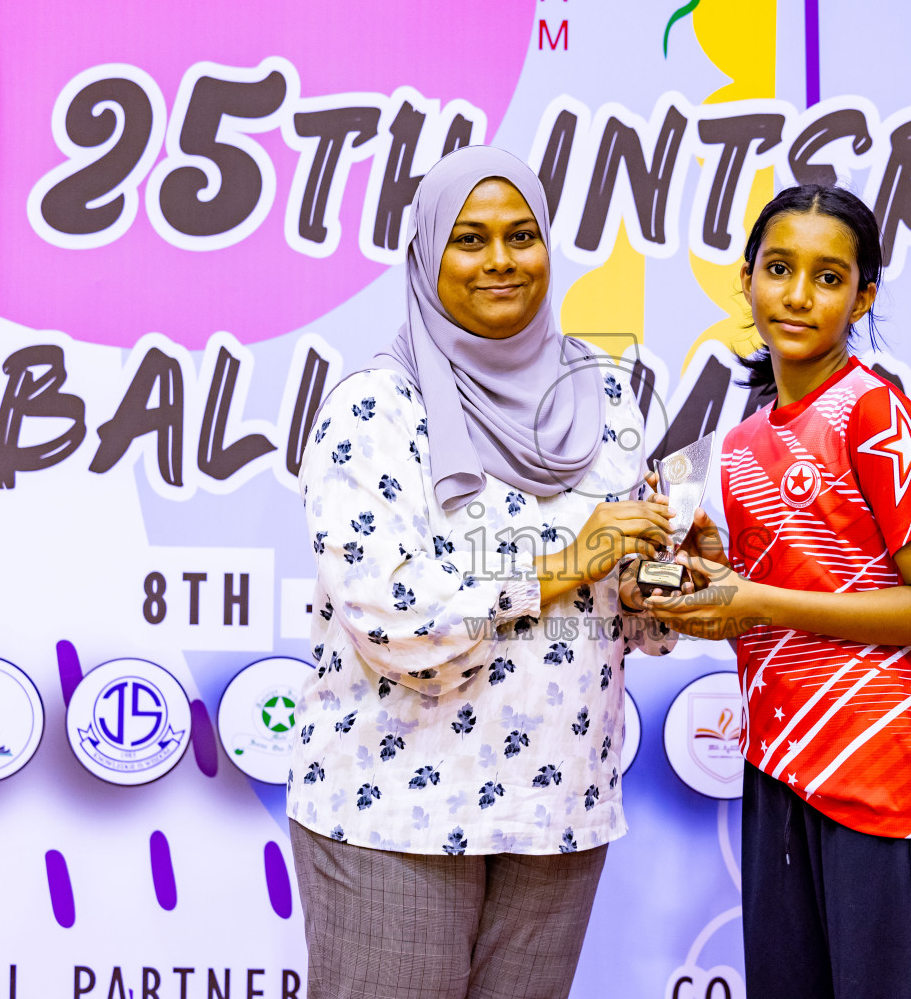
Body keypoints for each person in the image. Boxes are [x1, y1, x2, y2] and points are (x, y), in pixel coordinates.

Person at [287, 145, 678, 999]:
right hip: (397, 811)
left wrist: (671, 578)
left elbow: (632, 620)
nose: (500, 261)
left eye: (521, 235)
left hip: (557, 814)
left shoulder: (605, 396)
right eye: (469, 238)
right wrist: (573, 559)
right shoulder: (374, 409)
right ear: (428, 257)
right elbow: (397, 619)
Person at [645, 184, 911, 998]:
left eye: (829, 278)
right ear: (747, 279)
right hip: (783, 767)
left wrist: (753, 600)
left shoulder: (876, 414)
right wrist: (705, 587)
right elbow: (770, 618)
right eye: (779, 268)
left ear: (864, 296)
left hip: (889, 772)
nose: (797, 296)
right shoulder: (738, 444)